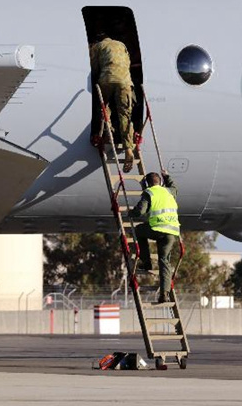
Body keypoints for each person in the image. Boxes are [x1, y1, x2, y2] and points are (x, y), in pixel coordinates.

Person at [129, 171, 181, 303]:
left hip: (157, 229)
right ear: (161, 182)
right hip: (172, 232)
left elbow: (140, 211)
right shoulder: (169, 191)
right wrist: (167, 176)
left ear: (147, 184)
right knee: (164, 261)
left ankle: (146, 262)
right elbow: (174, 187)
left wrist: (130, 213)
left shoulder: (149, 193)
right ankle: (164, 294)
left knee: (139, 230)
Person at [90, 31, 135, 172]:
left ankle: (108, 134)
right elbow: (128, 62)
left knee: (104, 107)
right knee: (125, 114)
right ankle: (128, 148)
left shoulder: (98, 46)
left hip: (107, 79)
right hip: (125, 81)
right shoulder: (121, 45)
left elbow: (94, 67)